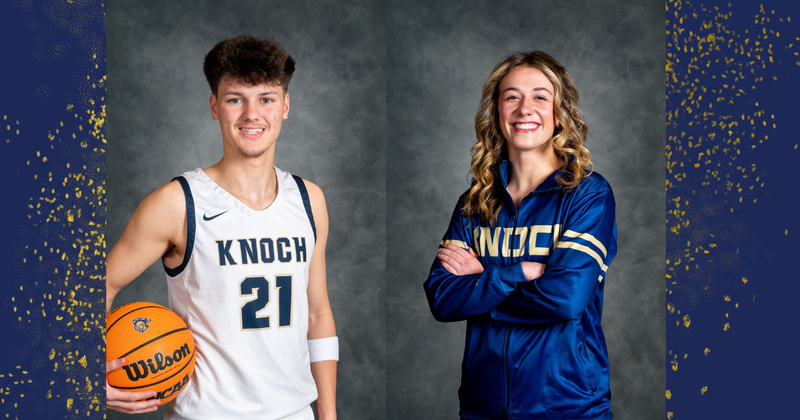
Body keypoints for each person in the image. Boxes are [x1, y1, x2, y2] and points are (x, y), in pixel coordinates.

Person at [106, 35, 338, 420]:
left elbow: (318, 315)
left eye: (266, 98)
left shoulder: (309, 199)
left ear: (285, 106)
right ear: (215, 106)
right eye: (235, 99)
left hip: (296, 413)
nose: (252, 114)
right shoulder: (178, 203)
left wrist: (327, 415)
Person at [424, 51, 617, 419]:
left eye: (540, 97)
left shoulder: (588, 195)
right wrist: (518, 273)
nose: (525, 108)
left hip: (568, 407)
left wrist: (481, 284)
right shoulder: (474, 203)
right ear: (497, 112)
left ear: (559, 114)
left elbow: (566, 299)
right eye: (512, 96)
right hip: (484, 406)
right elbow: (442, 299)